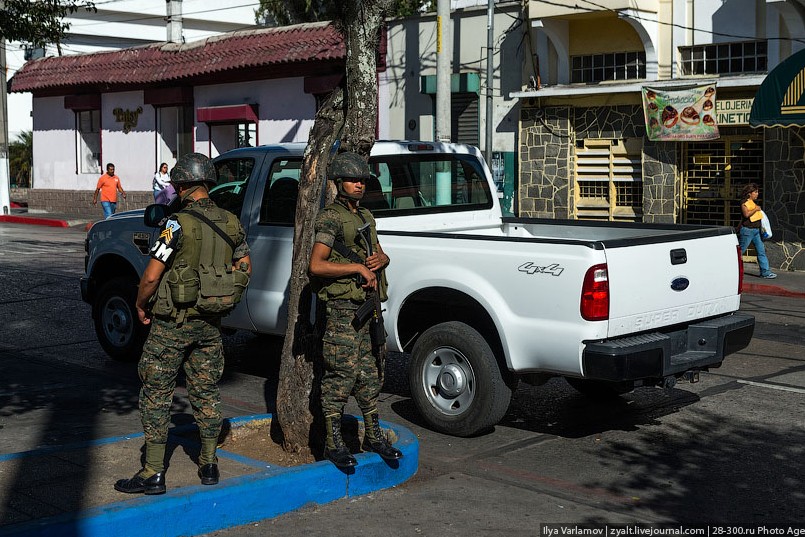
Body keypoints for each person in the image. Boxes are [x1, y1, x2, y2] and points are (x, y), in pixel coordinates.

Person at [114, 153, 251, 495]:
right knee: (205, 391)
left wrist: (140, 303)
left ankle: (153, 472)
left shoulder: (174, 225)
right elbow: (245, 266)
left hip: (171, 326)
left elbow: (152, 275)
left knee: (156, 393)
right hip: (209, 325)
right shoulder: (231, 221)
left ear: (182, 185)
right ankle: (208, 464)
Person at [308, 151, 403, 468]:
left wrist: (381, 260)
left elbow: (378, 253)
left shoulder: (365, 217)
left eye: (363, 179)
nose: (360, 184)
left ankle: (374, 437)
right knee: (341, 375)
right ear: (338, 183)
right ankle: (333, 444)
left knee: (370, 374)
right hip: (342, 311)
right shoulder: (329, 218)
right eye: (353, 179)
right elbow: (316, 265)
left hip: (368, 308)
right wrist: (357, 269)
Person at [738, 183, 777, 279]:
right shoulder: (744, 203)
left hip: (756, 231)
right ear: (749, 193)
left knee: (761, 251)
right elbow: (746, 215)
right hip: (747, 231)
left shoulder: (752, 203)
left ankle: (765, 272)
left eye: (757, 192)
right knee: (740, 251)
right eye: (755, 192)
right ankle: (731, 268)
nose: (757, 194)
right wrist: (756, 209)